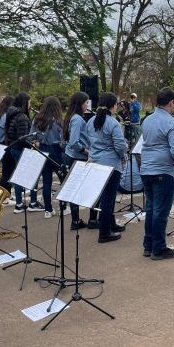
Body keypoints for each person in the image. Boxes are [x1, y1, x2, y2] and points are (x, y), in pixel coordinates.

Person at [140, 88, 174, 260]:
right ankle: (159, 248)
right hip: (163, 170)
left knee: (150, 208)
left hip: (146, 169)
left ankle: (148, 245)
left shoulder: (147, 120)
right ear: (171, 102)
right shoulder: (171, 123)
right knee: (161, 211)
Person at [86, 92, 128, 243]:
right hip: (111, 164)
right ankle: (104, 233)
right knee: (108, 199)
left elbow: (88, 141)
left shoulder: (91, 121)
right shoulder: (113, 123)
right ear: (112, 106)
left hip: (95, 162)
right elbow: (119, 145)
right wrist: (124, 156)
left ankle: (112, 224)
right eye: (116, 104)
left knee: (105, 196)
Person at [63, 91, 97, 229]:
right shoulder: (77, 119)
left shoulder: (72, 117)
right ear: (80, 103)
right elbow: (74, 142)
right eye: (86, 102)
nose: (87, 105)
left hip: (73, 156)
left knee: (76, 190)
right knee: (88, 189)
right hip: (78, 157)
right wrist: (87, 151)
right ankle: (87, 221)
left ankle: (76, 221)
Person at [4, 92, 38, 213]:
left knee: (18, 175)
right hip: (22, 150)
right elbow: (23, 137)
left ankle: (19, 204)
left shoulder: (12, 114)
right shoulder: (22, 117)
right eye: (29, 102)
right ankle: (33, 203)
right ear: (25, 102)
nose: (30, 104)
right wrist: (33, 143)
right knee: (29, 176)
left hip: (14, 148)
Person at [31, 96, 64, 218]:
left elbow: (31, 136)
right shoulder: (59, 120)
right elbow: (63, 139)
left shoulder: (38, 119)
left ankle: (48, 210)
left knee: (46, 181)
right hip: (55, 150)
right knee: (63, 178)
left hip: (42, 150)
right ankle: (63, 207)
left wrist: (37, 142)